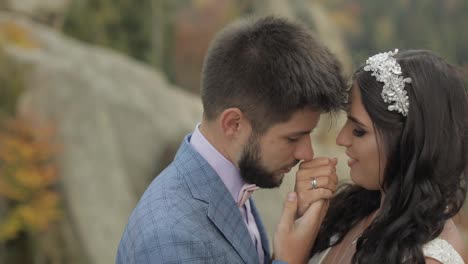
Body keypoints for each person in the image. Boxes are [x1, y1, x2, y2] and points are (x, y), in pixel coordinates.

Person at [116, 16, 347, 264]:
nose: (307, 153)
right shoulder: (170, 238)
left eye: (309, 134)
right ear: (233, 124)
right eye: (292, 138)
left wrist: (300, 221)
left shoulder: (230, 186)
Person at [307, 49, 468, 263]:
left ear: (407, 142)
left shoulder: (426, 258)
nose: (341, 138)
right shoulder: (350, 211)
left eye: (359, 130)